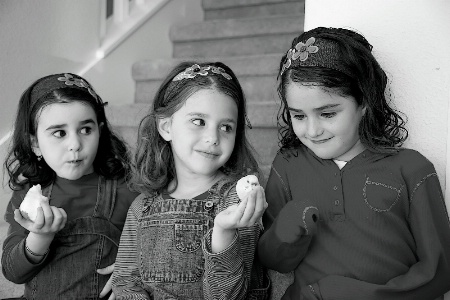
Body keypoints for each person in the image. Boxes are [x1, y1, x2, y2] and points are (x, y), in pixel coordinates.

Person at [257, 27, 450, 300]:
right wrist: (285, 231)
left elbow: (439, 271)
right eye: (298, 116)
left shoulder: (413, 170)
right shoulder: (288, 165)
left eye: (327, 113)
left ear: (364, 103)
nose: (312, 131)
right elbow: (273, 260)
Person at [111, 62, 270, 299]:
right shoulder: (141, 207)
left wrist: (224, 233)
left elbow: (229, 296)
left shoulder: (239, 203)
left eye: (226, 127)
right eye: (199, 122)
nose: (213, 138)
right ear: (166, 127)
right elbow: (125, 281)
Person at [2, 73, 139, 299]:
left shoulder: (127, 190)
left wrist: (132, 266)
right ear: (35, 143)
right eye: (59, 133)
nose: (75, 144)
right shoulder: (26, 197)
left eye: (86, 130)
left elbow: (155, 243)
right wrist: (39, 238)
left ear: (100, 131)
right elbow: (12, 272)